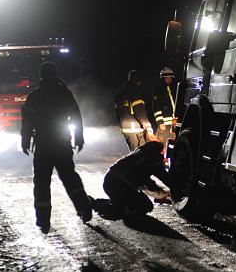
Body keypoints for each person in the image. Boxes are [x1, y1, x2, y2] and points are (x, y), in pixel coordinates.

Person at [21, 62, 92, 232]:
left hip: (43, 144)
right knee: (70, 177)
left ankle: (43, 220)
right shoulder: (64, 92)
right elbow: (76, 115)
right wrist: (79, 137)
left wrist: (25, 141)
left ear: (41, 75)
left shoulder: (35, 95)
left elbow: (27, 120)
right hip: (61, 142)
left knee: (41, 183)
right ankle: (84, 208)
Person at [100, 141, 170, 217]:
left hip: (111, 182)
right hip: (118, 186)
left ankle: (115, 204)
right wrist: (164, 189)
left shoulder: (139, 154)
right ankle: (100, 206)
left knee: (139, 205)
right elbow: (161, 177)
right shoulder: (151, 159)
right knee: (144, 206)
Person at [113, 69, 154, 152]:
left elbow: (117, 113)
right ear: (137, 80)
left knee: (133, 152)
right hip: (136, 127)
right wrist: (148, 126)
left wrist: (122, 125)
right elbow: (140, 111)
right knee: (140, 152)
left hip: (126, 128)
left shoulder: (119, 94)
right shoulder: (134, 91)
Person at [152, 67, 177, 154]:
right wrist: (160, 122)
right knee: (162, 144)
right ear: (162, 78)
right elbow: (156, 107)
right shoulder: (158, 90)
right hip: (164, 124)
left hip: (173, 123)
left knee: (172, 143)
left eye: (170, 77)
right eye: (167, 78)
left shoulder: (173, 89)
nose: (169, 79)